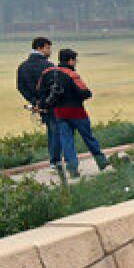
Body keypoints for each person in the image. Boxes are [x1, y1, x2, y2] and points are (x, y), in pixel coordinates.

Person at [34, 48, 109, 179]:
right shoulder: (72, 74)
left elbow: (39, 90)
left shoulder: (47, 73)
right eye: (75, 60)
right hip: (77, 112)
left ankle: (72, 168)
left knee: (67, 140)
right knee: (88, 137)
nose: (75, 63)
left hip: (59, 113)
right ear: (70, 60)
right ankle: (102, 162)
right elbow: (86, 93)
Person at [16, 37, 63, 180]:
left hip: (38, 105)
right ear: (41, 48)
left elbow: (21, 87)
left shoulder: (23, 66)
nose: (50, 51)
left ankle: (54, 160)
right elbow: (55, 87)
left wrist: (34, 102)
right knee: (56, 131)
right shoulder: (48, 66)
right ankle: (55, 161)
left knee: (51, 130)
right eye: (48, 48)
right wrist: (46, 102)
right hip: (51, 104)